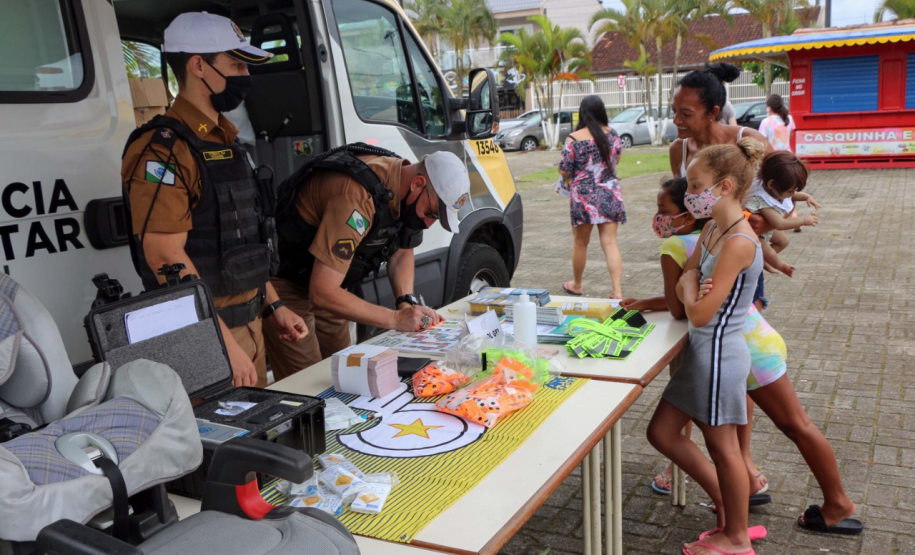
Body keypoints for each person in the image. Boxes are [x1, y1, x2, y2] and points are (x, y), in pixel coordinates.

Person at [625, 177, 862, 544]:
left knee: (784, 427)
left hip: (742, 348)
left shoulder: (690, 242)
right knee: (752, 432)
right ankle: (742, 497)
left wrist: (682, 292)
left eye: (664, 212)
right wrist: (658, 299)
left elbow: (683, 308)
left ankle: (836, 504)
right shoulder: (717, 233)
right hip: (754, 338)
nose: (659, 218)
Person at [121, 12, 307, 389]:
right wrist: (223, 344)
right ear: (198, 66)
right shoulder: (162, 151)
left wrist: (274, 306)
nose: (245, 76)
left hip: (248, 326)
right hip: (205, 336)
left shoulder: (227, 141)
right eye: (236, 63)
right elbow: (164, 257)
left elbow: (245, 239)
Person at [654, 63, 772, 497]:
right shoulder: (679, 150)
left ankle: (742, 465)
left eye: (686, 113)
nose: (678, 121)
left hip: (734, 257)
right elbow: (685, 207)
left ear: (713, 111)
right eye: (675, 111)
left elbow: (772, 196)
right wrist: (674, 226)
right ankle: (686, 462)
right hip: (701, 253)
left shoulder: (746, 145)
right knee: (689, 360)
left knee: (731, 368)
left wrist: (763, 228)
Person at [647, 138, 766, 555]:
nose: (691, 195)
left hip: (719, 356)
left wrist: (689, 284)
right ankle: (729, 509)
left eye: (696, 186)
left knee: (723, 449)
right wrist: (691, 283)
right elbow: (691, 279)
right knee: (661, 431)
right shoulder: (715, 227)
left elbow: (697, 311)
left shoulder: (739, 242)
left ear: (725, 186)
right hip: (703, 353)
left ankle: (736, 536)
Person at [264, 148, 471, 379]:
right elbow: (322, 292)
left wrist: (405, 302)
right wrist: (394, 319)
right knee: (308, 382)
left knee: (346, 370)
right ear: (418, 184)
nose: (429, 223)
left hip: (331, 278)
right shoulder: (357, 198)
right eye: (432, 214)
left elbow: (402, 251)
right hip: (287, 283)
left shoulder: (405, 188)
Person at [557, 95, 626, 299]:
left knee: (580, 243)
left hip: (583, 196)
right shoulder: (613, 135)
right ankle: (616, 290)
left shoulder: (573, 138)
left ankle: (577, 284)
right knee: (611, 243)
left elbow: (564, 170)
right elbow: (617, 160)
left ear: (583, 113)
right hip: (609, 193)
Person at [745, 152, 821, 279]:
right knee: (768, 251)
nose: (792, 193)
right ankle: (780, 266)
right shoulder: (762, 200)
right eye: (790, 190)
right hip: (756, 233)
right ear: (771, 184)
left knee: (783, 241)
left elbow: (791, 195)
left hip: (765, 228)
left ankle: (763, 261)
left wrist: (807, 197)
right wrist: (803, 220)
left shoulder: (774, 188)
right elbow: (780, 224)